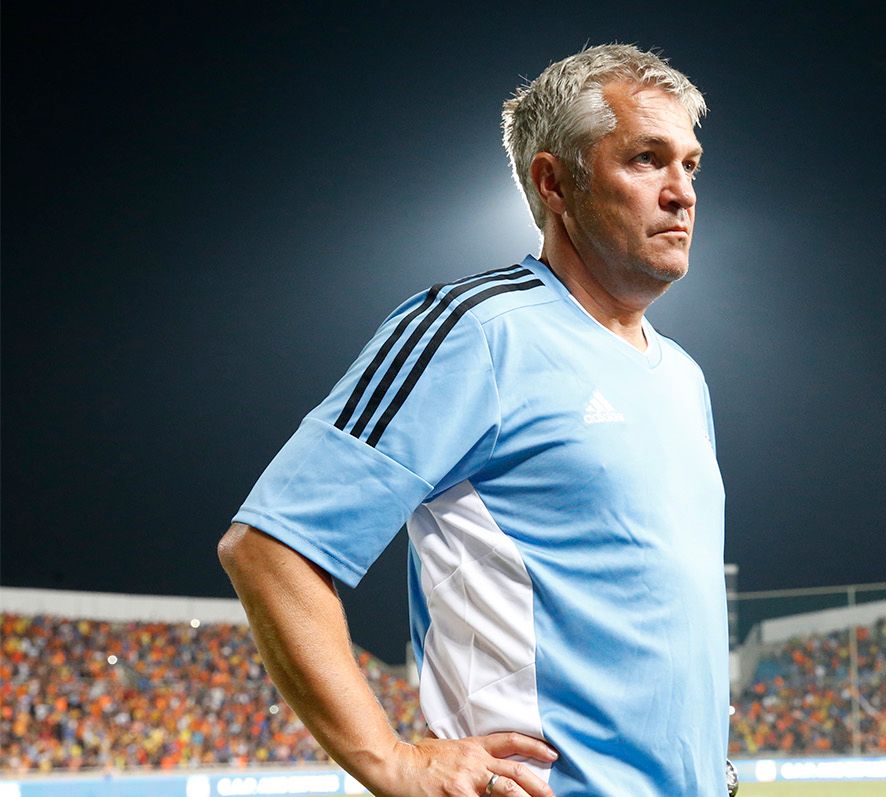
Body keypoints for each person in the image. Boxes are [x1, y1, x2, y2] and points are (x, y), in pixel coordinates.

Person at [218, 44, 727, 797]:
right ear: (554, 182)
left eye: (690, 164)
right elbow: (269, 546)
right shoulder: (475, 330)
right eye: (646, 159)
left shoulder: (683, 376)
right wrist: (389, 759)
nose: (681, 192)